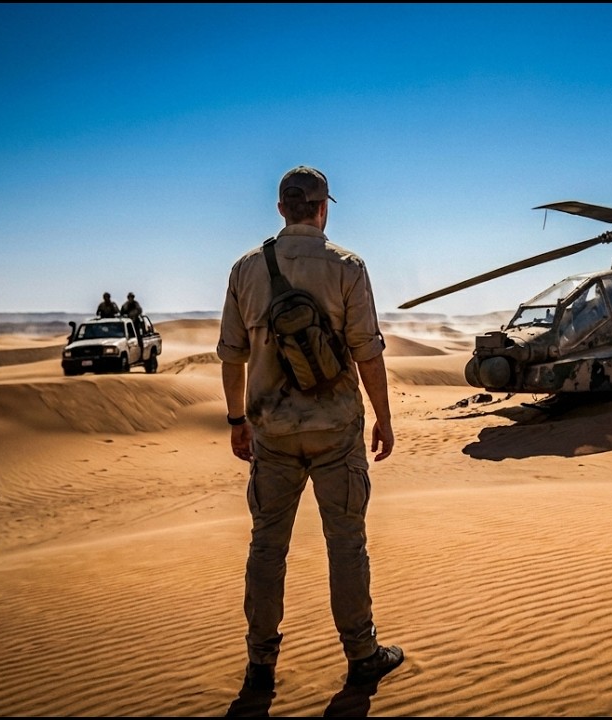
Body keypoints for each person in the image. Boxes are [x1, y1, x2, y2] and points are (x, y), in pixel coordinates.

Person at [217, 165, 403, 708]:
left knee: (266, 547)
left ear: (281, 209)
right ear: (323, 208)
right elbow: (367, 349)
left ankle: (260, 665)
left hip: (271, 433)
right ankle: (361, 653)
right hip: (336, 432)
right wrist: (384, 417)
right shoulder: (347, 266)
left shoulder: (246, 268)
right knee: (346, 545)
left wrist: (236, 421)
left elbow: (231, 355)